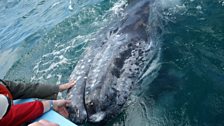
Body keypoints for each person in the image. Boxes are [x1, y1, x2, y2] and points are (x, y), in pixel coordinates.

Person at [0, 79, 75, 126]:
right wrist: (52, 104)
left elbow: (27, 89)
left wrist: (57, 88)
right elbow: (12, 115)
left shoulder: (3, 85)